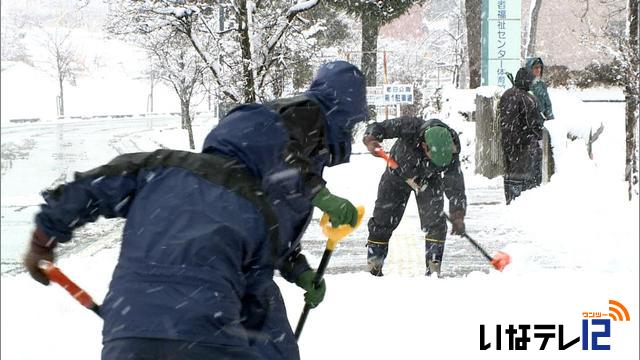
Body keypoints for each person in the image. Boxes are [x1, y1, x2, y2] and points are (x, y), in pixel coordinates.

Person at [23, 60, 367, 360]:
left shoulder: (161, 167)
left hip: (127, 337)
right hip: (208, 339)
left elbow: (89, 189)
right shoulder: (255, 207)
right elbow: (257, 308)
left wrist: (42, 239)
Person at [362, 118, 467, 277]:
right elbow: (378, 127)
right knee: (382, 221)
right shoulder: (409, 126)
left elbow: (455, 183)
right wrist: (371, 138)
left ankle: (433, 271)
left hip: (429, 181)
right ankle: (374, 267)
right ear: (424, 146)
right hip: (397, 177)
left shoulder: (451, 145)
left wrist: (458, 214)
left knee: (436, 224)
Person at [498, 67, 543, 205]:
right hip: (524, 145)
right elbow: (533, 123)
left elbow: (506, 123)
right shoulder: (526, 99)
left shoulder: (508, 95)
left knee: (512, 175)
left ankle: (512, 201)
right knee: (525, 179)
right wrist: (532, 136)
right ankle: (520, 204)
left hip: (510, 144)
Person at [526, 56, 555, 185]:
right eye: (535, 68)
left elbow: (547, 103)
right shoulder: (527, 85)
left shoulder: (541, 85)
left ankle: (537, 179)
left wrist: (550, 118)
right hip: (530, 124)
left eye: (539, 68)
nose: (538, 70)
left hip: (542, 122)